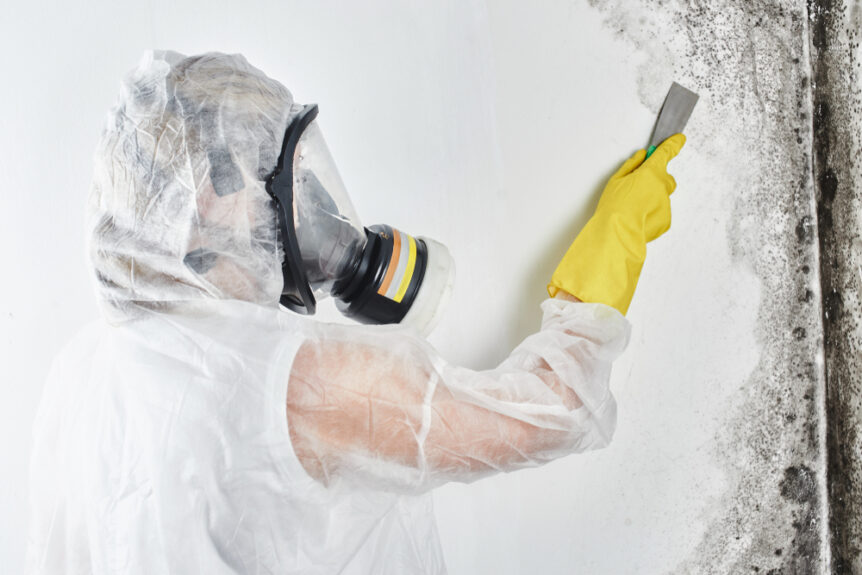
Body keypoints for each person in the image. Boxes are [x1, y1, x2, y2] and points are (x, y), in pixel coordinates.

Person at [27, 51, 685, 575]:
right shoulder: (297, 381)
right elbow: (559, 409)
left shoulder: (80, 372)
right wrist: (609, 249)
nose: (304, 198)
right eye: (277, 172)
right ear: (207, 192)